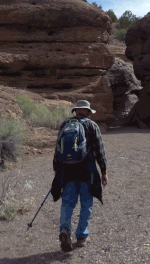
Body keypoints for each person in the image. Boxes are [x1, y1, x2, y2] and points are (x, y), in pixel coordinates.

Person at [51, 100, 108, 252]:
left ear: (76, 111)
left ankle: (64, 230)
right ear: (88, 112)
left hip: (67, 171)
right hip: (87, 171)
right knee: (86, 204)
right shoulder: (91, 125)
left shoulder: (65, 124)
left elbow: (57, 149)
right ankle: (81, 236)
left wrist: (56, 168)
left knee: (67, 203)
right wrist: (104, 172)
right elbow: (99, 151)